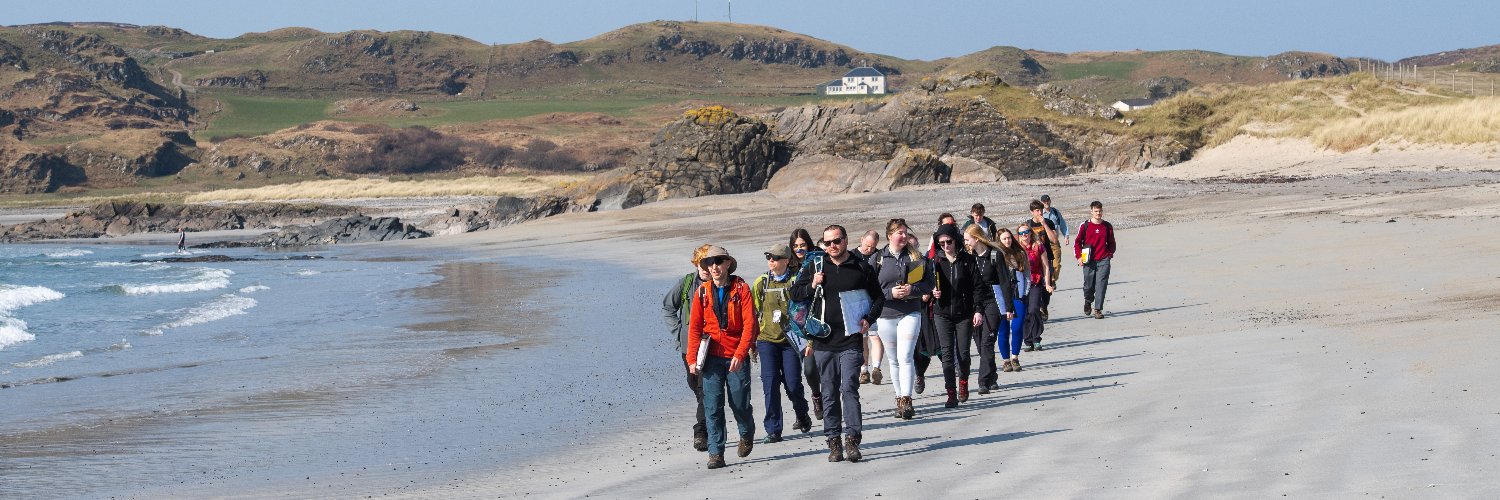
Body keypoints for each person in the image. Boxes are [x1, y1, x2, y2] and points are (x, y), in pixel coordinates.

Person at [789, 224, 883, 463]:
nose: (832, 246)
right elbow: (794, 294)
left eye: (837, 241)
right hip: (823, 341)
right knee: (829, 392)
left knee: (849, 389)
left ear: (845, 240)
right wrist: (812, 284)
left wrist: (868, 319)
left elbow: (878, 298)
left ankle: (852, 439)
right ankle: (833, 442)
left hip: (851, 340)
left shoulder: (861, 266)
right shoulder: (816, 265)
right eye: (828, 242)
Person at [687, 246, 758, 469]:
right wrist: (692, 359)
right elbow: (695, 328)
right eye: (710, 262)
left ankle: (746, 433)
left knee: (739, 403)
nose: (714, 266)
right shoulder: (702, 292)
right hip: (710, 358)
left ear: (728, 264)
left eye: (719, 261)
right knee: (712, 405)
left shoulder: (742, 289)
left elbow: (750, 325)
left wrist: (740, 353)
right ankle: (716, 452)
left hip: (735, 357)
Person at [751, 243, 813, 444]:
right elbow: (752, 313)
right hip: (766, 340)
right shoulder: (761, 282)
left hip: (791, 341)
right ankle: (773, 430)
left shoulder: (797, 280)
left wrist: (809, 340)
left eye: (776, 257)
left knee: (793, 384)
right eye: (769, 257)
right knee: (770, 384)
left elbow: (808, 309)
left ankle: (802, 413)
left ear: (787, 261)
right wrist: (752, 342)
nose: (771, 260)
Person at [873, 218, 933, 420]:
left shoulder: (916, 257)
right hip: (885, 315)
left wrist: (911, 289)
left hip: (910, 312)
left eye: (906, 232)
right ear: (890, 235)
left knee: (905, 356)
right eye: (900, 232)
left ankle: (907, 400)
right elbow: (871, 289)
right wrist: (890, 293)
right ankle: (898, 398)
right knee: (893, 360)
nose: (904, 236)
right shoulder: (878, 259)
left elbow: (928, 283)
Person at [930, 223, 991, 408]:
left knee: (963, 354)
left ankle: (963, 381)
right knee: (947, 355)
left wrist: (978, 310)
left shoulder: (968, 260)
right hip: (942, 314)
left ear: (956, 241)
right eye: (942, 243)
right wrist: (932, 292)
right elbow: (925, 285)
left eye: (949, 242)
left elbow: (978, 287)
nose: (946, 246)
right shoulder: (935, 262)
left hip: (964, 313)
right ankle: (951, 393)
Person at [663, 244, 714, 452]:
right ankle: (711, 421)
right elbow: (667, 308)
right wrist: (678, 333)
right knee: (696, 386)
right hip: (689, 348)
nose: (705, 267)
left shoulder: (722, 285)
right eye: (701, 262)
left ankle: (701, 432)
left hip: (714, 347)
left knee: (705, 390)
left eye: (709, 262)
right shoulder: (685, 284)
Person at [965, 224, 1014, 393]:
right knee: (980, 344)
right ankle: (992, 376)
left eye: (967, 239)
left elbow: (1005, 281)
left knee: (987, 341)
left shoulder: (995, 255)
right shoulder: (968, 257)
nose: (966, 243)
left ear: (976, 239)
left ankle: (983, 381)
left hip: (993, 300)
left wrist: (1009, 307)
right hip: (974, 304)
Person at [787, 228, 823, 417]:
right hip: (795, 327)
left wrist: (812, 286)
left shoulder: (817, 262)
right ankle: (816, 396)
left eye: (802, 245)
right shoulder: (789, 267)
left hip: (819, 319)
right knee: (807, 370)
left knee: (818, 365)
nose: (799, 249)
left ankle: (826, 398)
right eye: (795, 246)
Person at [1075, 201, 1117, 319]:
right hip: (1088, 260)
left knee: (1101, 285)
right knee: (1088, 286)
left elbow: (1112, 243)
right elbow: (1077, 243)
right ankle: (1088, 301)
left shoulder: (1107, 226)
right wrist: (1079, 257)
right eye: (1096, 211)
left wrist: (1109, 254)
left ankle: (1098, 309)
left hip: (1103, 260)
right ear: (1091, 211)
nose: (1098, 213)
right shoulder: (1085, 226)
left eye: (1100, 211)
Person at [995, 228, 1029, 372]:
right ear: (999, 241)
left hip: (1018, 295)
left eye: (1009, 238)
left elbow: (1027, 275)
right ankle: (1006, 360)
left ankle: (1015, 357)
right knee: (1002, 330)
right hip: (1002, 296)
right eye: (1004, 239)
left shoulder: (1020, 253)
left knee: (1017, 327)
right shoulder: (995, 255)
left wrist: (1025, 292)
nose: (1007, 241)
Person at [1017, 224, 1055, 352]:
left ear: (1030, 232)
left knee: (1033, 309)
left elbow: (1046, 266)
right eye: (1021, 233)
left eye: (1026, 232)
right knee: (1025, 313)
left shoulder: (1038, 246)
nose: (1024, 235)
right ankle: (1028, 340)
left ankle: (1036, 338)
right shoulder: (1016, 248)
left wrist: (1048, 283)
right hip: (1020, 284)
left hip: (1035, 282)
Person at [853, 230, 884, 386]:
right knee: (862, 338)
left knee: (875, 336)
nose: (869, 250)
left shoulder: (879, 257)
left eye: (872, 247)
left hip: (874, 301)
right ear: (861, 240)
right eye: (867, 246)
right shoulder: (851, 255)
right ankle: (863, 370)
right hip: (858, 302)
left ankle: (876, 368)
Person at [1025, 200, 1060, 320]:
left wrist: (1044, 224)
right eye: (1037, 210)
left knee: (1047, 285)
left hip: (1047, 257)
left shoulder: (1048, 222)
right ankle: (1038, 307)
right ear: (1032, 212)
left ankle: (1044, 305)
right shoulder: (1027, 225)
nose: (1039, 213)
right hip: (1033, 260)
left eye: (1041, 210)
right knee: (1035, 283)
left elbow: (1054, 240)